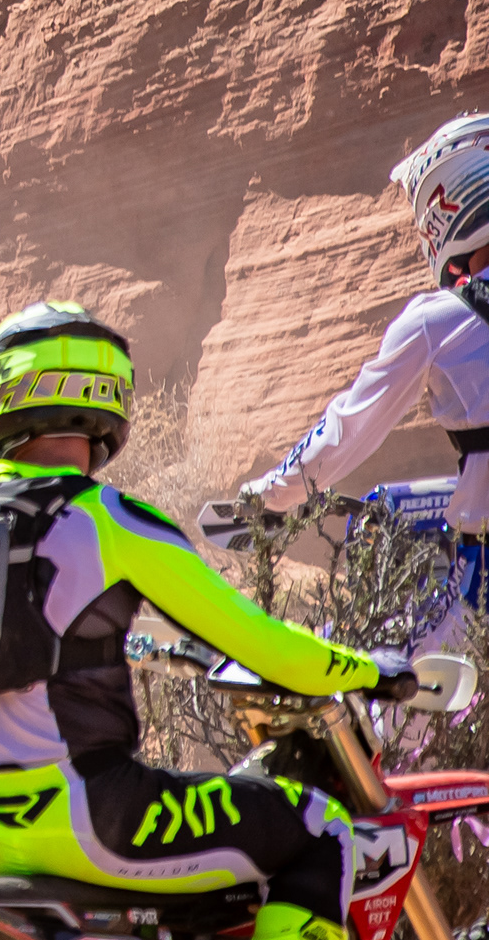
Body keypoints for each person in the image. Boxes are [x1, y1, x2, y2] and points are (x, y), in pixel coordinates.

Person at [0, 300, 407, 940]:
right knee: (323, 829)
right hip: (97, 820)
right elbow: (264, 646)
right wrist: (367, 671)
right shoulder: (111, 521)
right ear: (102, 397)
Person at [198, 114, 489, 654]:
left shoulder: (438, 321)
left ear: (450, 201)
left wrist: (269, 497)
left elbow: (346, 431)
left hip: (482, 584)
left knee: (368, 678)